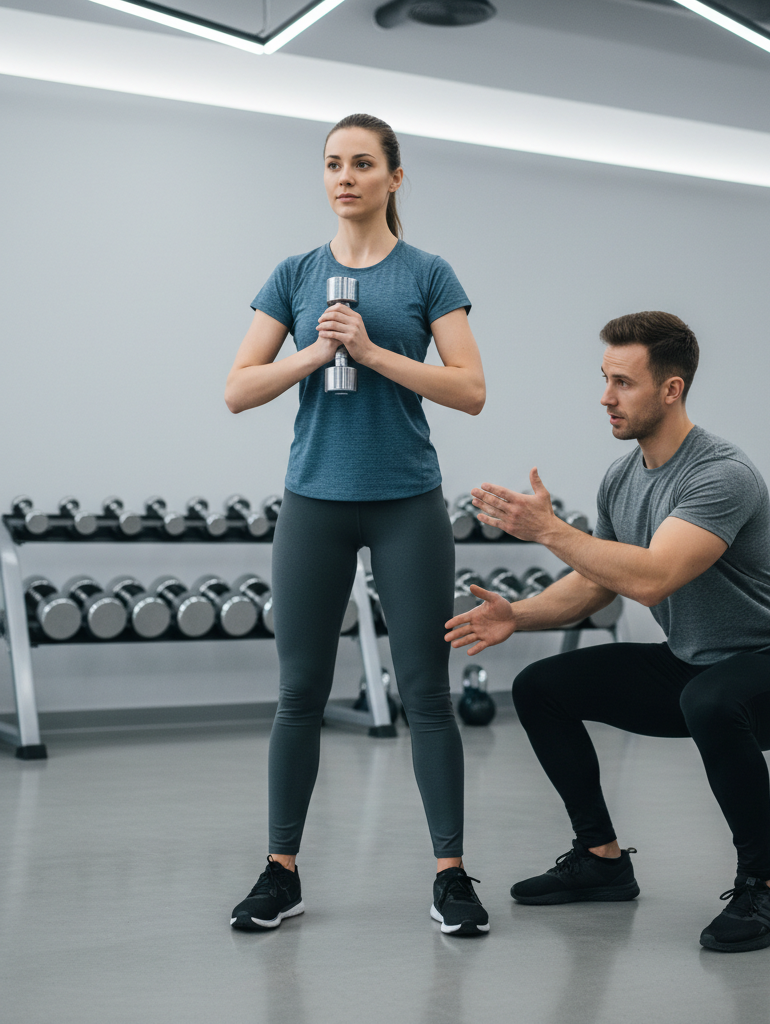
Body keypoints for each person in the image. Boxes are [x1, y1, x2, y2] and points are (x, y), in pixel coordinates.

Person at [444, 311, 770, 953]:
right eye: (604, 378)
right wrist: (519, 614)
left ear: (671, 389)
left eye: (623, 382)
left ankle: (764, 889)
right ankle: (601, 859)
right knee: (541, 687)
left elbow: (653, 579)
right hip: (692, 664)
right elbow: (598, 583)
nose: (605, 397)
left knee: (711, 698)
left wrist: (549, 531)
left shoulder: (721, 474)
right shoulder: (621, 479)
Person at [224, 113, 490, 936]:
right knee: (299, 692)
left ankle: (450, 876)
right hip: (315, 500)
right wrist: (314, 353)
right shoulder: (295, 275)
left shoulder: (428, 274)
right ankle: (281, 872)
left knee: (426, 692)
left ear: (394, 178)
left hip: (408, 501)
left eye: (364, 163)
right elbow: (237, 389)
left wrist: (372, 353)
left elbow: (471, 389)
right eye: (334, 163)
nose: (346, 176)